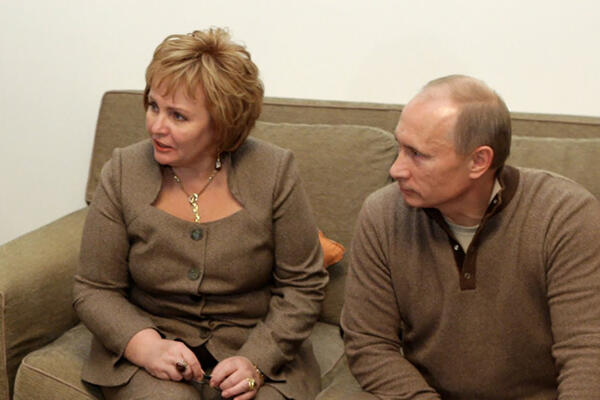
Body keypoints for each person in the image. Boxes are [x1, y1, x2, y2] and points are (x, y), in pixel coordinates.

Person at [73, 27, 328, 400]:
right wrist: (146, 346)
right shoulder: (123, 170)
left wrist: (257, 360)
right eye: (153, 106)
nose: (156, 126)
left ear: (222, 124)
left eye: (178, 116)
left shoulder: (274, 171)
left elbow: (302, 286)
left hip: (254, 348)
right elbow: (95, 288)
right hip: (152, 343)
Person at [341, 75, 600, 399]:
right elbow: (369, 344)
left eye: (417, 154)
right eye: (399, 147)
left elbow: (587, 352)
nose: (396, 169)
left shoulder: (564, 215)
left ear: (478, 161)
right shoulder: (382, 214)